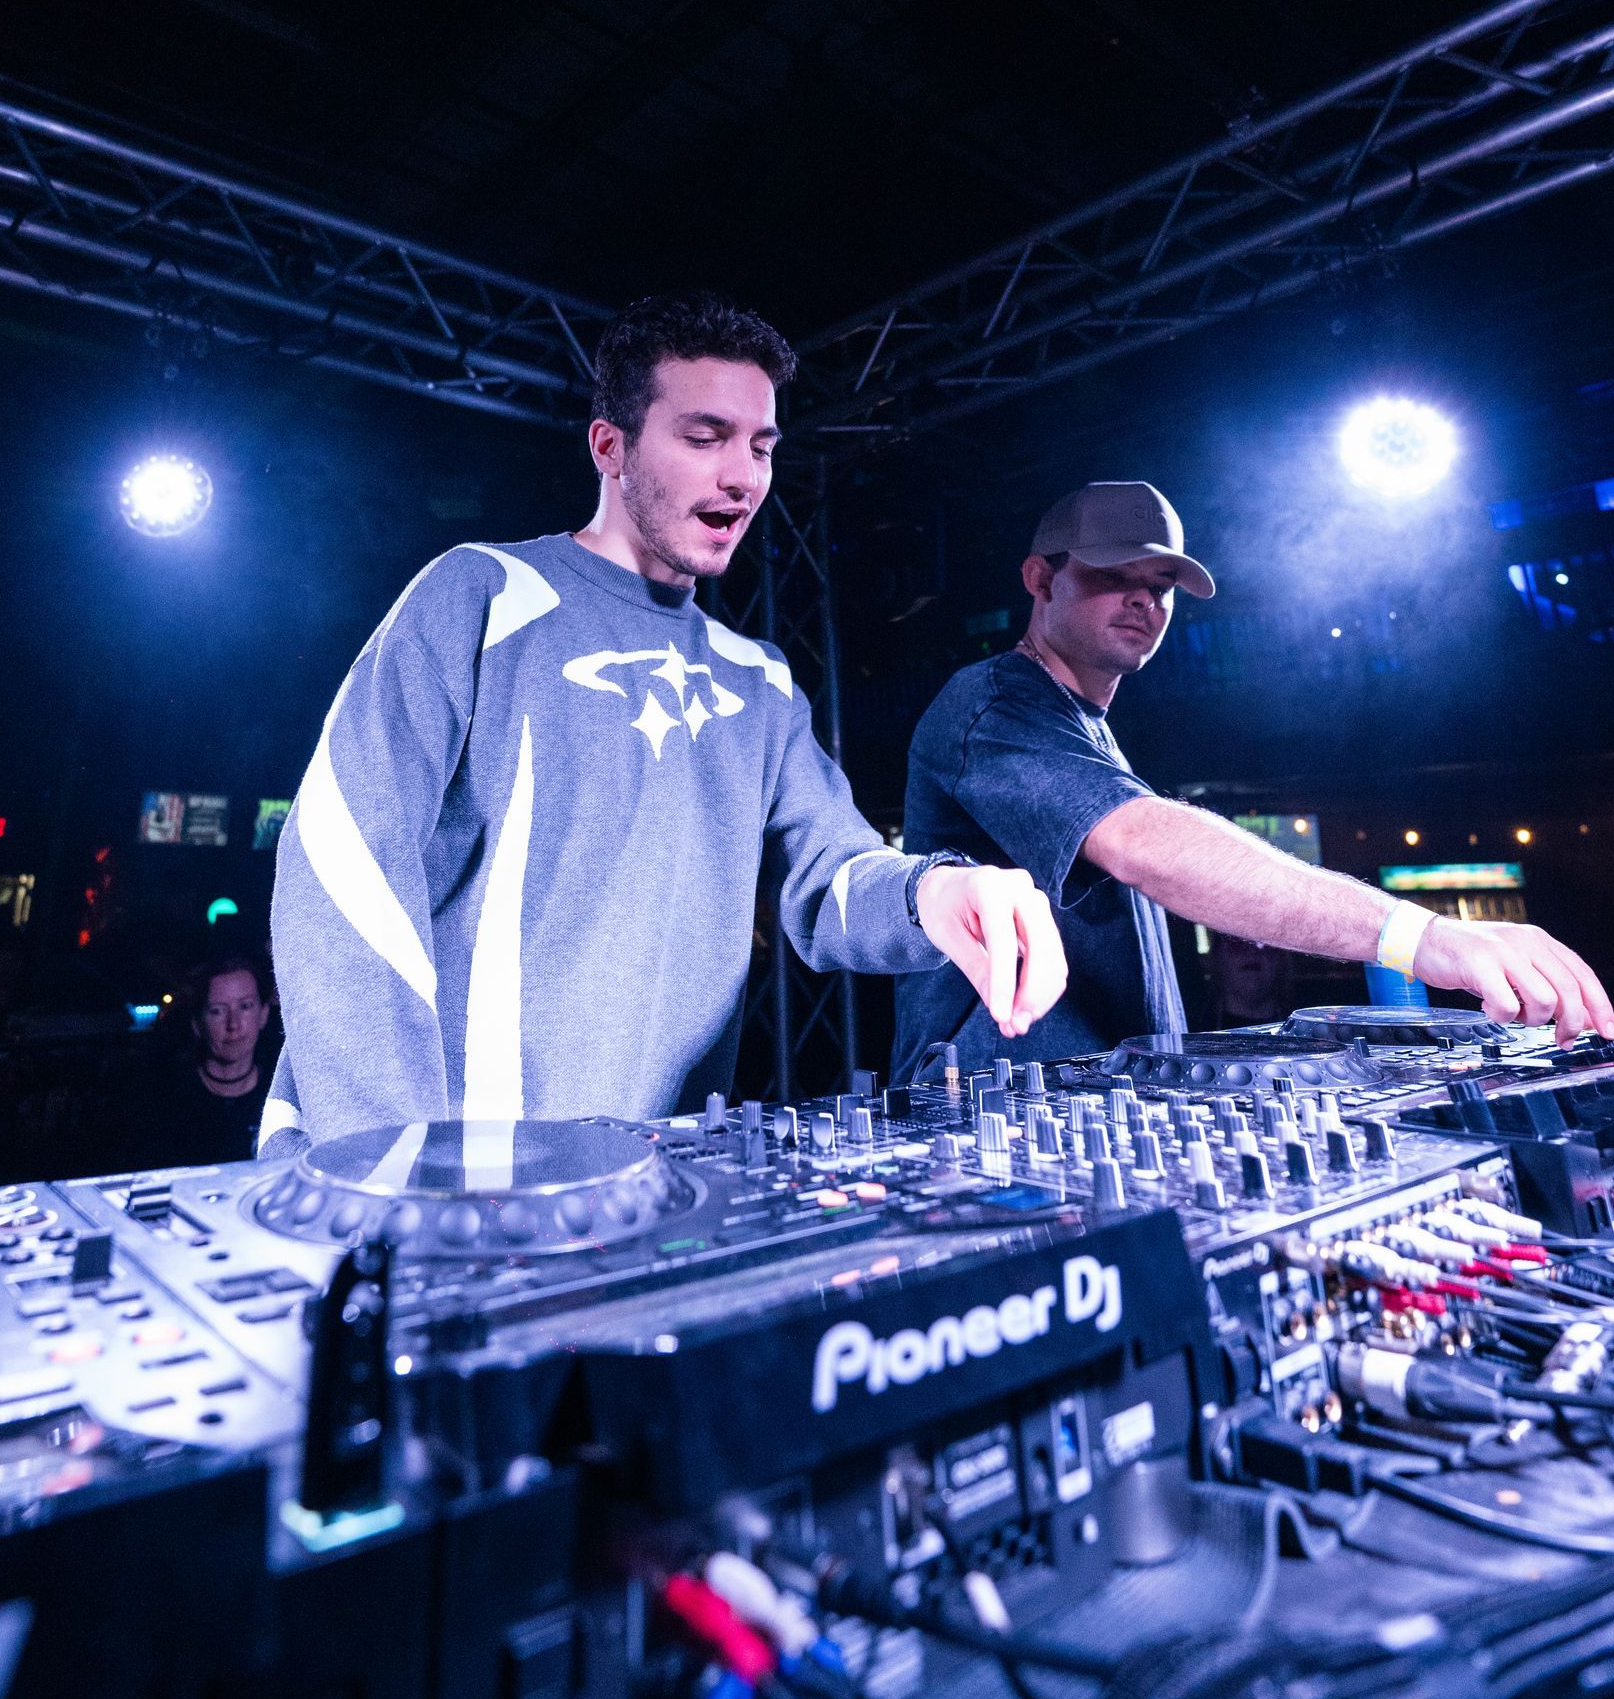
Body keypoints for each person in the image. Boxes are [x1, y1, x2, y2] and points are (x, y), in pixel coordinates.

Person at [267, 291, 1063, 1142]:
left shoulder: (758, 679)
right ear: (610, 446)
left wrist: (936, 889)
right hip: (449, 1186)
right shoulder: (482, 594)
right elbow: (343, 857)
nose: (744, 476)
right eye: (705, 436)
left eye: (760, 446)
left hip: (646, 1183)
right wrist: (391, 1158)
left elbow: (830, 873)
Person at [893, 479, 1614, 1084]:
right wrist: (1420, 935)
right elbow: (1145, 839)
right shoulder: (992, 703)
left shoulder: (1086, 728)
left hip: (1086, 1105)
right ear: (1041, 578)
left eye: (1161, 584)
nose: (1145, 599)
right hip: (994, 1113)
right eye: (1114, 575)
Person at [127, 950, 276, 1166]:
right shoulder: (167, 1105)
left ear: (263, 1014)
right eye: (217, 1011)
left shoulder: (282, 1100)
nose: (233, 1025)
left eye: (245, 1006)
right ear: (197, 1023)